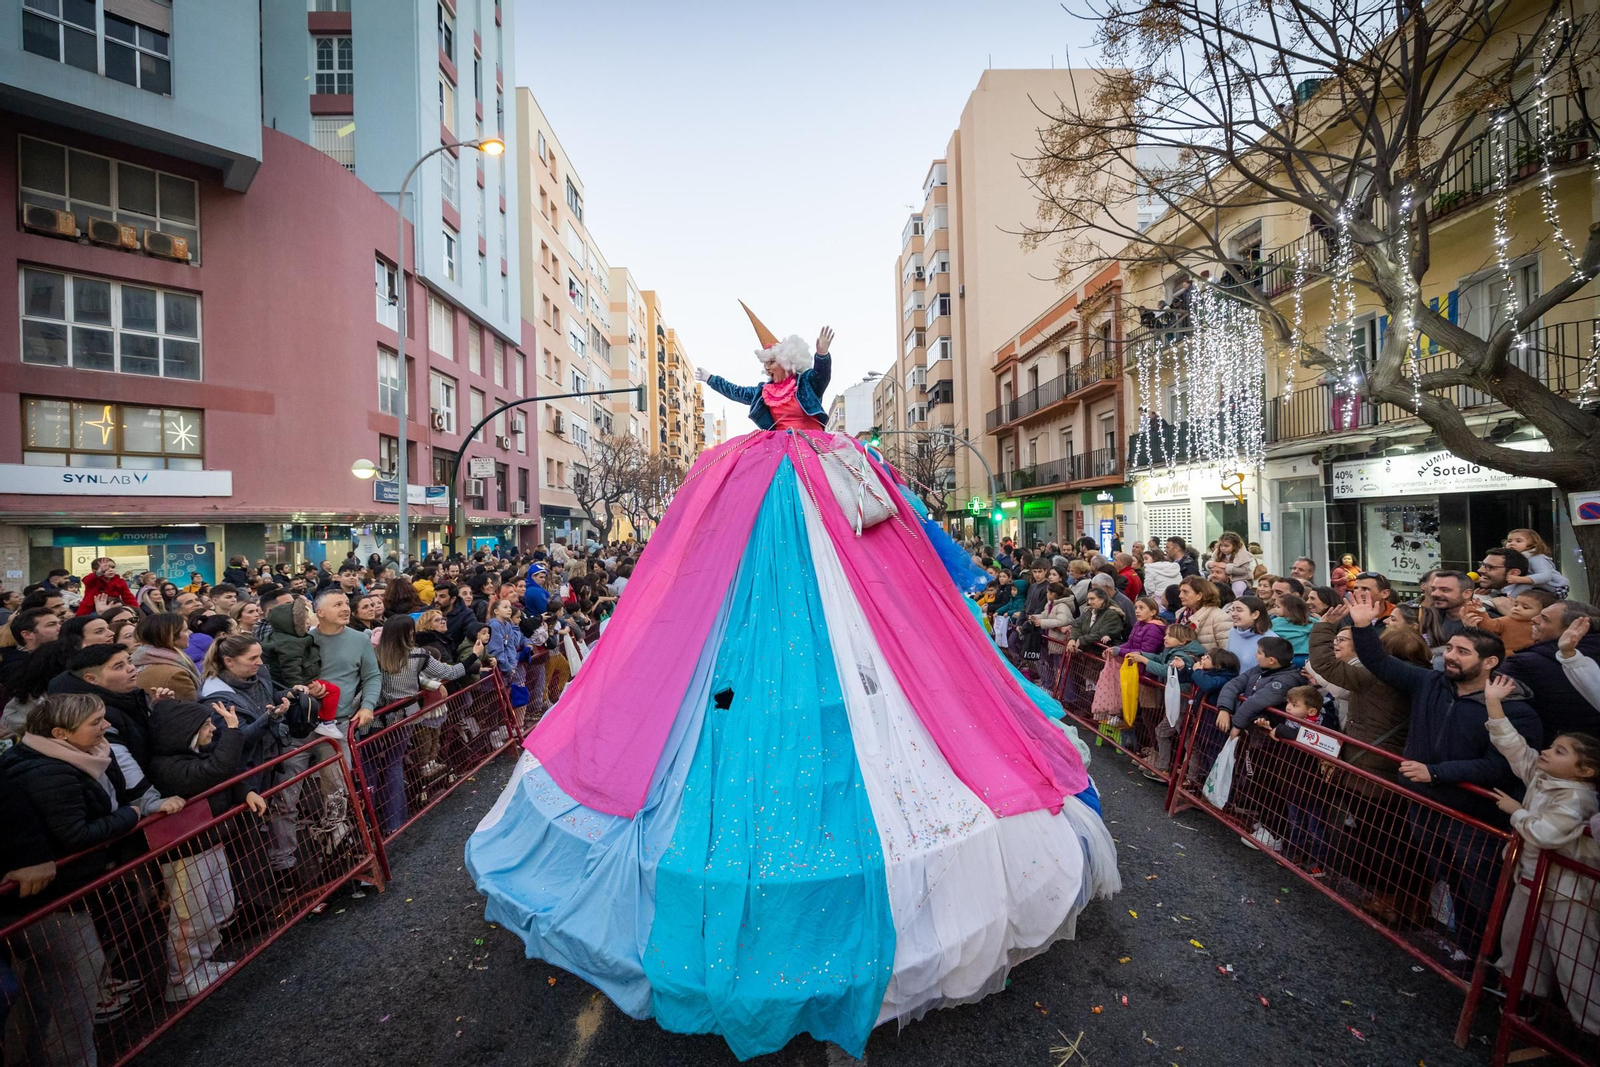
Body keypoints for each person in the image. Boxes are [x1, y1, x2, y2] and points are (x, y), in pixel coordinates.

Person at [469, 308, 1117, 1063]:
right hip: (765, 486)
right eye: (772, 364)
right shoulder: (761, 401)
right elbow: (741, 391)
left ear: (791, 361)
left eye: (777, 362)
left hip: (809, 477)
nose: (772, 372)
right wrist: (711, 378)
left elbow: (817, 388)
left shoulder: (805, 389)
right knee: (747, 621)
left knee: (845, 609)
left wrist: (825, 362)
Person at [1347, 589, 1542, 961]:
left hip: (1474, 817)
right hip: (1426, 806)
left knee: (1482, 891)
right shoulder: (1430, 683)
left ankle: (1494, 966)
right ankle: (1468, 953)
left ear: (1490, 662)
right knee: (1451, 879)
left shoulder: (1515, 711)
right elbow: (1380, 664)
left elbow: (1502, 765)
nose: (1450, 656)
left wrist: (1435, 773)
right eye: (1450, 648)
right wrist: (1362, 628)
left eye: (1462, 652)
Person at [0, 692, 183, 1064]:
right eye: (96, 722)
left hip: (75, 889)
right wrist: (130, 816)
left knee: (61, 984)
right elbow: (76, 834)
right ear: (61, 733)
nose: (107, 726)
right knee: (70, 986)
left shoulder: (81, 756)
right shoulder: (49, 772)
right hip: (55, 900)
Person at [1500, 600, 1600, 739]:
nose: (1534, 619)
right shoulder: (1581, 657)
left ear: (1573, 630)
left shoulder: (1525, 664)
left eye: (1545, 618)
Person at [131, 613, 202, 701]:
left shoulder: (141, 660)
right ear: (172, 636)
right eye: (185, 630)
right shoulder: (175, 676)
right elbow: (193, 707)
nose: (190, 633)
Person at [1462, 587, 1554, 655]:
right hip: (1507, 656)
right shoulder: (1507, 620)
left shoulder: (1545, 626)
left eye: (1525, 607)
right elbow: (1489, 626)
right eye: (1515, 605)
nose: (1517, 609)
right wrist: (1481, 611)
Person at [1502, 528, 1571, 598]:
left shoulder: (1536, 558)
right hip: (1539, 586)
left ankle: (1511, 599)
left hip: (1556, 587)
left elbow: (1545, 576)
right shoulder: (1516, 559)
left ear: (1532, 544)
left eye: (1518, 541)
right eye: (1509, 541)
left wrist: (1520, 579)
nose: (1512, 543)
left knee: (1526, 583)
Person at [1269, 593, 1314, 667]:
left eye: (1278, 607)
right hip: (1307, 657)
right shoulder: (1309, 621)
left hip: (1285, 657)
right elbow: (1321, 625)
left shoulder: (1275, 622)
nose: (1275, 609)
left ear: (1289, 610)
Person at [1213, 532, 1255, 597]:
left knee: (1237, 590)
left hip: (1240, 579)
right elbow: (1212, 561)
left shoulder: (1242, 555)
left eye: (1226, 546)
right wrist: (1210, 565)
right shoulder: (1218, 553)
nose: (1223, 548)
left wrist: (1227, 567)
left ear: (1235, 546)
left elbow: (1244, 570)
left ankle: (1236, 601)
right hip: (1222, 579)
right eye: (1221, 545)